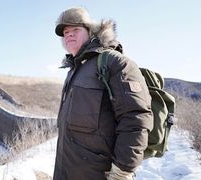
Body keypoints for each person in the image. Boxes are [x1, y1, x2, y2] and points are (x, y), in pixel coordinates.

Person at [53, 7, 153, 180]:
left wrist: (122, 171)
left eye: (75, 29)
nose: (69, 34)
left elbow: (136, 118)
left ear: (90, 31)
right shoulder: (74, 69)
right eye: (65, 31)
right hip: (67, 171)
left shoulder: (114, 63)